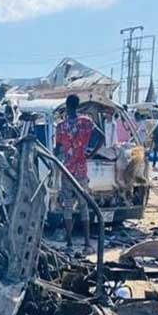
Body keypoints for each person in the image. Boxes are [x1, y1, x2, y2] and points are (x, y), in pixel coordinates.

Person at [55, 94, 102, 253]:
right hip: (81, 169)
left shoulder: (61, 126)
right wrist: (91, 153)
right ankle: (87, 244)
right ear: (78, 105)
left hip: (67, 170)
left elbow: (57, 149)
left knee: (67, 207)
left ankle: (69, 244)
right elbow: (101, 137)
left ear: (66, 106)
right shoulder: (86, 122)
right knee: (84, 206)